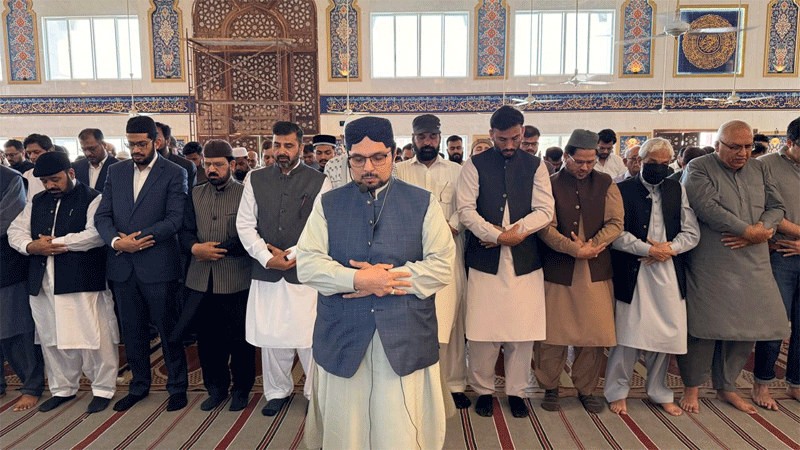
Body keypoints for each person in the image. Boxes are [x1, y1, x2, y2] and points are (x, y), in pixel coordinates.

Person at [297, 116, 454, 449]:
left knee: (399, 426)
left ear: (394, 154)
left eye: (378, 157)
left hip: (403, 332)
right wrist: (357, 279)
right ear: (347, 158)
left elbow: (442, 266)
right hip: (343, 331)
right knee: (346, 427)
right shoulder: (327, 204)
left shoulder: (422, 202)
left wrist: (385, 281)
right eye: (358, 159)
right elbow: (308, 264)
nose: (368, 166)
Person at [678, 120, 790, 414]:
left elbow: (777, 206)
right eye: (735, 147)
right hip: (712, 261)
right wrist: (746, 230)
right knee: (704, 327)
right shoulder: (699, 167)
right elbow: (707, 208)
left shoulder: (760, 168)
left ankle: (727, 387)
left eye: (748, 146)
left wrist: (763, 228)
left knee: (748, 327)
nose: (743, 153)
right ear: (718, 146)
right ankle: (692, 388)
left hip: (754, 261)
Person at [457, 106, 554, 418]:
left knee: (521, 334)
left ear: (523, 132)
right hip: (486, 260)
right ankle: (484, 390)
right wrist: (495, 235)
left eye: (514, 138)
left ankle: (516, 392)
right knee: (484, 333)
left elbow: (545, 210)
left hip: (525, 260)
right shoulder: (474, 164)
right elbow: (465, 210)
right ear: (490, 135)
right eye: (502, 139)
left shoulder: (536, 166)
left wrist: (515, 233)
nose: (509, 145)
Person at [8, 152, 119, 414]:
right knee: (52, 339)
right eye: (45, 181)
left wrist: (55, 243)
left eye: (55, 179)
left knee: (93, 338)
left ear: (70, 173)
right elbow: (16, 230)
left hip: (81, 281)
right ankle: (63, 388)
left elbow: (95, 235)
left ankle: (103, 388)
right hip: (43, 282)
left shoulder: (93, 197)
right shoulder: (37, 200)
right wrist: (30, 246)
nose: (50, 186)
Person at [94, 115, 189, 412]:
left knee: (168, 329)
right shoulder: (117, 171)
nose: (135, 149)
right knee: (132, 331)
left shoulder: (174, 172)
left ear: (156, 142)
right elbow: (102, 216)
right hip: (122, 264)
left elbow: (175, 218)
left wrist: (138, 239)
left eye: (141, 144)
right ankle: (139, 385)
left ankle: (177, 387)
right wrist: (116, 242)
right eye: (131, 144)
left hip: (158, 265)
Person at [236, 121, 331, 416]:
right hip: (267, 269)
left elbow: (323, 226)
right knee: (272, 335)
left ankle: (315, 393)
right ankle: (277, 391)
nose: (282, 151)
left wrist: (294, 254)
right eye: (277, 145)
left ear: (301, 148)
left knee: (309, 337)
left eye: (288, 145)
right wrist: (266, 257)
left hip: (303, 270)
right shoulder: (255, 178)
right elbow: (244, 223)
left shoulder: (319, 180)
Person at [606, 138, 700, 416]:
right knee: (628, 335)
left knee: (665, 336)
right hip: (634, 269)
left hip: (668, 270)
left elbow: (691, 232)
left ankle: (659, 391)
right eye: (651, 164)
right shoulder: (620, 190)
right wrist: (647, 249)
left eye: (663, 164)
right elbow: (614, 233)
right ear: (638, 162)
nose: (657, 169)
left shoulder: (676, 188)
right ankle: (617, 391)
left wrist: (667, 250)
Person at [535, 129, 624, 414]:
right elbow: (544, 227)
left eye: (590, 162)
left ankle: (586, 389)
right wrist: (573, 249)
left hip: (595, 269)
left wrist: (592, 246)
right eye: (579, 162)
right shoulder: (549, 183)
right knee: (552, 335)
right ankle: (550, 386)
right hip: (559, 269)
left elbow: (615, 223)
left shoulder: (606, 182)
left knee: (594, 335)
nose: (585, 168)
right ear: (566, 157)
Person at [396, 114, 468, 409]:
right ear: (413, 138)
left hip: (450, 255)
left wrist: (447, 229)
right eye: (422, 137)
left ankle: (454, 384)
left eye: (432, 137)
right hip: (410, 257)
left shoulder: (457, 171)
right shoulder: (398, 171)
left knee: (451, 322)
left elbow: (465, 208)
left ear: (440, 138)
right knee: (412, 320)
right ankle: (414, 381)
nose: (427, 142)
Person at [177, 140, 255, 412]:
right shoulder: (196, 193)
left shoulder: (246, 194)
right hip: (200, 282)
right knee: (209, 341)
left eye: (218, 164)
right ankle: (216, 388)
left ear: (232, 165)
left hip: (236, 280)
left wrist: (217, 250)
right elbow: (184, 230)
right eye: (208, 164)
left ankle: (241, 390)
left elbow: (249, 234)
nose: (212, 169)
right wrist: (194, 247)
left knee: (239, 340)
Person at [751, 117, 800, 408]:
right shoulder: (764, 166)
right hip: (780, 255)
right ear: (790, 143)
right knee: (774, 325)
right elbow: (765, 211)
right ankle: (762, 385)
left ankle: (796, 382)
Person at [0, 165, 45, 411]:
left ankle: (31, 386)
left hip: (6, 265)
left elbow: (7, 221)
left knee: (16, 329)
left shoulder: (10, 179)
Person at [155, 122, 197, 191]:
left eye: (156, 137)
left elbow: (189, 196)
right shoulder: (141, 165)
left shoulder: (185, 165)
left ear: (168, 141)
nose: (154, 141)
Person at [23, 134, 54, 201]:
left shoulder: (63, 173)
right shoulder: (27, 175)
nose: (32, 157)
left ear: (50, 150)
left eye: (36, 152)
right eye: (29, 153)